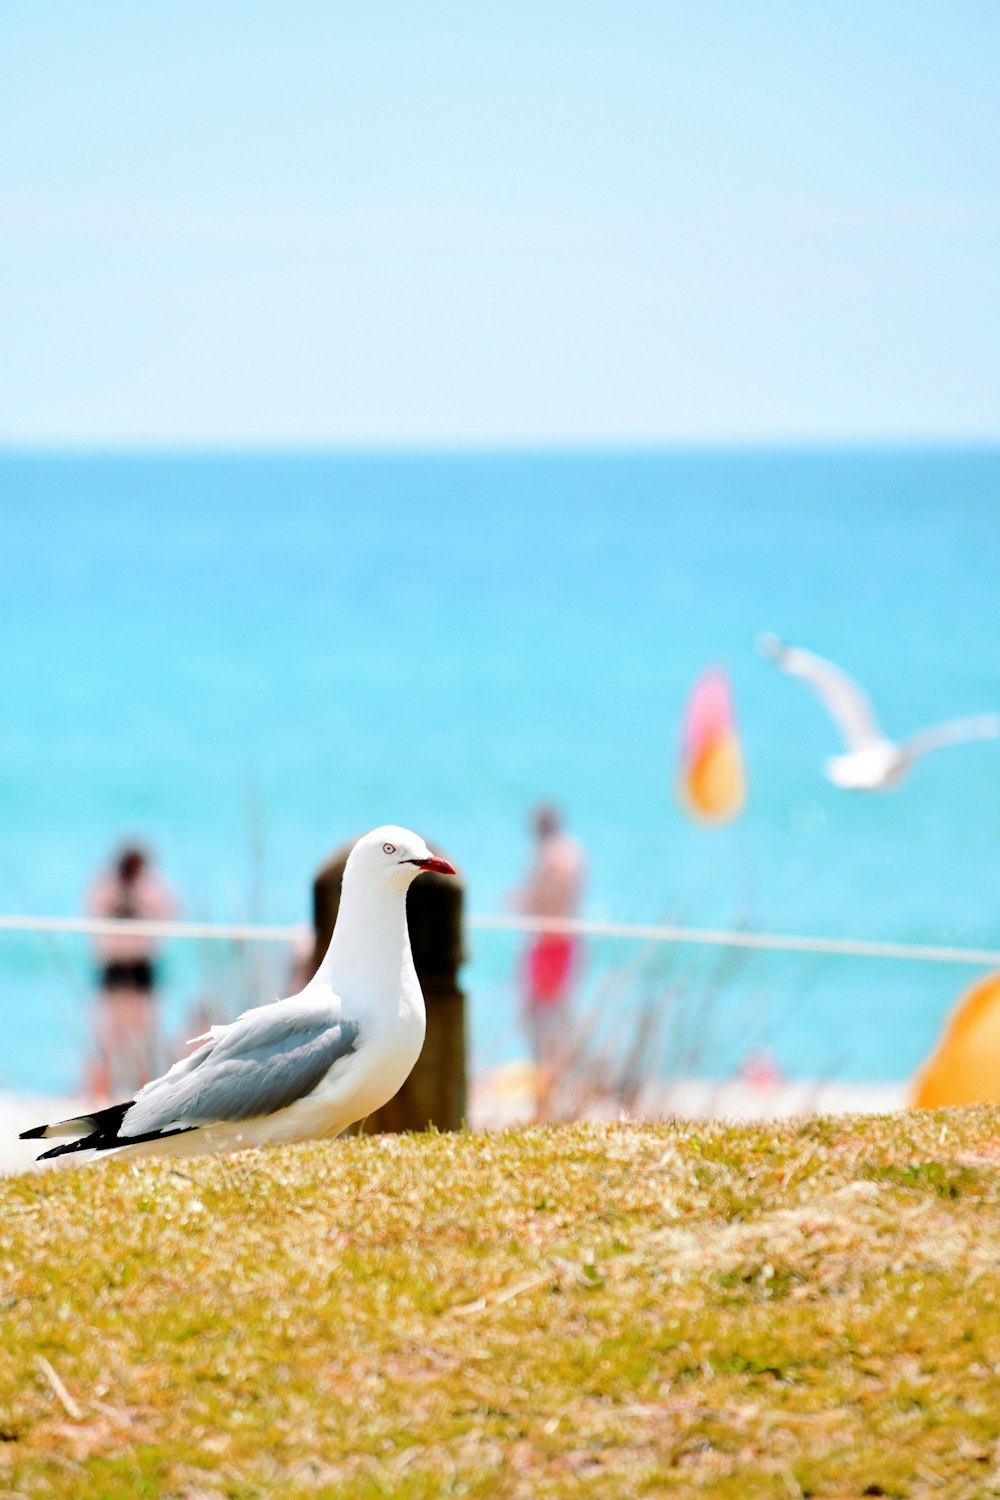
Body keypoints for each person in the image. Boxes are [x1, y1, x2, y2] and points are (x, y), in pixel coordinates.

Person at [86, 842, 179, 1100]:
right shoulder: (105, 886)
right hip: (114, 971)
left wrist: (139, 899)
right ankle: (98, 1094)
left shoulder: (152, 889)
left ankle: (144, 1093)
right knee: (106, 1039)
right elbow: (94, 918)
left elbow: (169, 915)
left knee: (145, 1039)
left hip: (140, 971)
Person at [512, 805, 586, 1087]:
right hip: (564, 939)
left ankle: (549, 1075)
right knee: (556, 1013)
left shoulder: (552, 854)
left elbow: (550, 897)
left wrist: (522, 900)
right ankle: (556, 1074)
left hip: (549, 940)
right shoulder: (573, 851)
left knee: (538, 1014)